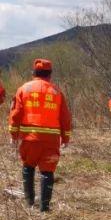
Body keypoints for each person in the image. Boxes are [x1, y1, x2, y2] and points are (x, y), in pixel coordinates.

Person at [9, 58, 72, 212]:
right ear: (50, 74)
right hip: (51, 140)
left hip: (29, 138)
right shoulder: (57, 92)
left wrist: (13, 134)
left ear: (34, 73)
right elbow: (65, 117)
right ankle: (45, 208)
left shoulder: (24, 89)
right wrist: (66, 137)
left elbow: (15, 114)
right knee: (47, 171)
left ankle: (29, 203)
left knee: (28, 167)